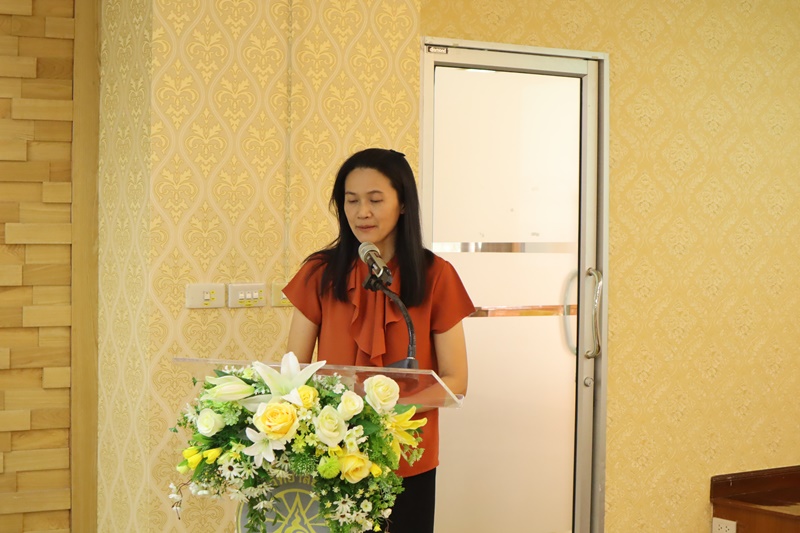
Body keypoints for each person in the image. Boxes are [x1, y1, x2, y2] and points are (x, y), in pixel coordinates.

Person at [282, 147, 474, 533]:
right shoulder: (319, 273)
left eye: (375, 199)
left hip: (407, 458)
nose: (362, 212)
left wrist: (380, 410)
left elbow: (455, 382)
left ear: (403, 204)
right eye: (351, 200)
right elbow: (292, 373)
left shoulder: (436, 275)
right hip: (332, 453)